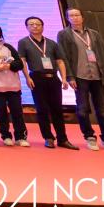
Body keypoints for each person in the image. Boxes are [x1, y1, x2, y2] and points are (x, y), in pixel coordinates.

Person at [57, 8, 104, 151]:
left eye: (77, 15)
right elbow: (63, 57)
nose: (74, 18)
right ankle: (89, 137)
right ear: (67, 18)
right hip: (79, 76)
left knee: (102, 110)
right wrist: (70, 77)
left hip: (97, 76)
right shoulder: (64, 34)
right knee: (82, 109)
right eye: (71, 16)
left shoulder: (94, 34)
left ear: (82, 17)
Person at [18, 16, 78, 150]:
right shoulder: (23, 42)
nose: (35, 26)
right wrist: (27, 78)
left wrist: (63, 78)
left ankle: (63, 139)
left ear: (42, 26)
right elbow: (22, 61)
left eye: (38, 24)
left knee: (57, 109)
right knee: (42, 109)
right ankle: (48, 137)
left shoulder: (51, 43)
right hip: (37, 78)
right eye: (31, 24)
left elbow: (60, 61)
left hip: (53, 78)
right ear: (27, 27)